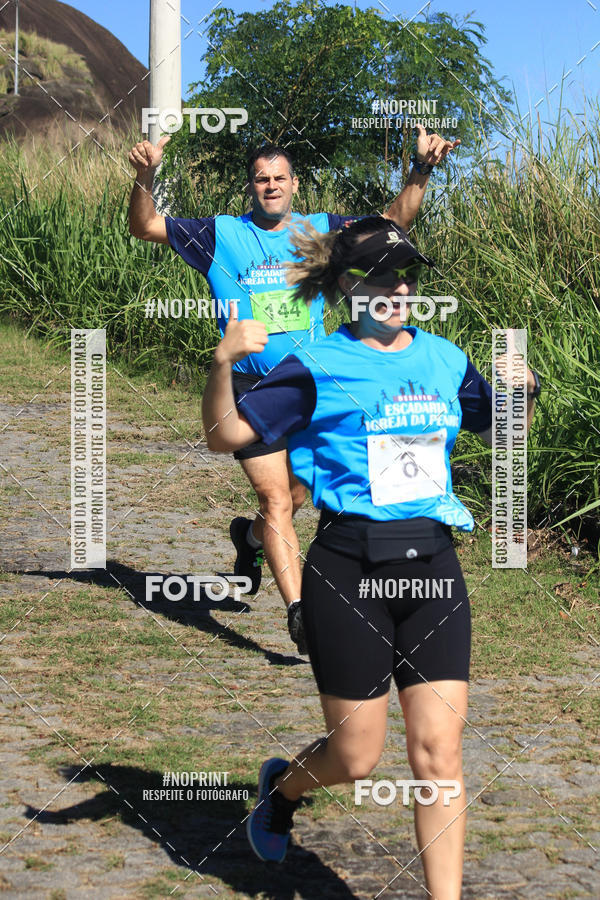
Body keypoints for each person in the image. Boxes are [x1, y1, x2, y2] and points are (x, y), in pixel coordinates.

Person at [201, 216, 539, 898]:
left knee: (438, 754)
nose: (397, 285)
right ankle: (283, 789)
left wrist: (522, 390)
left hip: (435, 570)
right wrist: (223, 363)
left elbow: (505, 431)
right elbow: (225, 434)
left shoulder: (444, 358)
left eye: (406, 272)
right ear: (347, 286)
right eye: (380, 274)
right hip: (350, 569)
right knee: (356, 757)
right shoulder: (318, 363)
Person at [128, 130, 460, 652]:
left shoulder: (318, 233)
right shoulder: (221, 234)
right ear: (250, 187)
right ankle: (301, 613)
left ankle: (251, 539)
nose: (271, 186)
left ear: (295, 185)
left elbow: (391, 226)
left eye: (280, 178)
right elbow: (145, 224)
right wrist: (145, 175)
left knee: (302, 492)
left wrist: (421, 170)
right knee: (276, 497)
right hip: (249, 385)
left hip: (307, 383)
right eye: (262, 179)